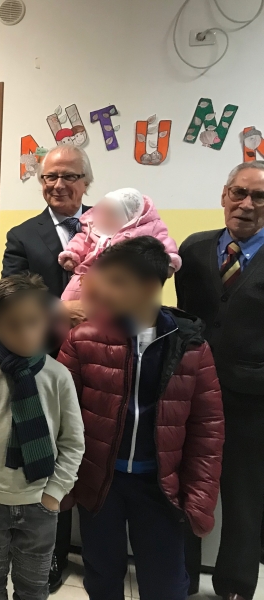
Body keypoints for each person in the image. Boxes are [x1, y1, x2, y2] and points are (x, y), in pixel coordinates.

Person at [58, 237, 224, 600]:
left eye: (117, 281)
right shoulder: (83, 340)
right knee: (102, 576)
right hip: (100, 483)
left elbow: (207, 430)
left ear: (149, 287)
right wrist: (63, 483)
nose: (103, 290)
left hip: (160, 486)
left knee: (165, 583)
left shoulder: (191, 347)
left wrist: (200, 496)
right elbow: (60, 417)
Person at [0, 274, 85, 600]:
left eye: (33, 323)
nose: (25, 333)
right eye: (13, 325)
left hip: (39, 502)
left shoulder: (58, 375)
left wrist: (55, 492)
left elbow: (73, 441)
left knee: (33, 588)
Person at [1, 143, 93, 590]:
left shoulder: (110, 224)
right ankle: (51, 556)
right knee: (51, 451)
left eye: (69, 176)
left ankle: (97, 553)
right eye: (49, 177)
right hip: (44, 360)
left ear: (86, 182)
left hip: (101, 362)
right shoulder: (22, 235)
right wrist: (60, 309)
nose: (58, 185)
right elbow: (13, 292)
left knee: (90, 450)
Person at [177, 161, 264, 600]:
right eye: (238, 193)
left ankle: (234, 585)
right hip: (191, 391)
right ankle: (180, 577)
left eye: (259, 197)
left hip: (252, 399)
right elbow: (182, 317)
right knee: (185, 485)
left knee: (244, 495)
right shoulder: (193, 249)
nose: (246, 204)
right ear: (224, 196)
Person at [58, 187, 181, 301]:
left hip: (124, 281)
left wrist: (168, 263)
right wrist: (71, 255)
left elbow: (165, 244)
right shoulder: (95, 229)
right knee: (71, 298)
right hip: (86, 275)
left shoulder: (145, 231)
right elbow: (80, 242)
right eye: (104, 213)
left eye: (112, 214)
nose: (105, 218)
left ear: (129, 216)